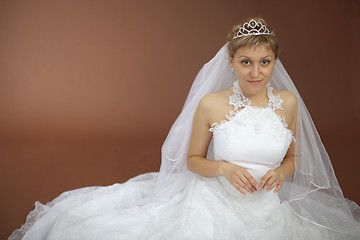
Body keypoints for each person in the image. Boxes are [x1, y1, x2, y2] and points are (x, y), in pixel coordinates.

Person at [9, 17, 360, 240]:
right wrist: (223, 167)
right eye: (246, 62)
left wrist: (281, 174)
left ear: (274, 63)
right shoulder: (211, 103)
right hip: (214, 200)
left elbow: (293, 157)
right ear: (231, 63)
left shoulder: (288, 103)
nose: (256, 73)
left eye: (265, 62)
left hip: (268, 204)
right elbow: (193, 159)